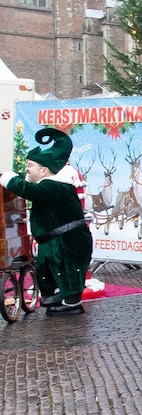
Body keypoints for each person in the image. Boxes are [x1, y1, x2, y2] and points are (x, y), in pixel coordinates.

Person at [1, 128, 93, 315]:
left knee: (68, 269)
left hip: (68, 242)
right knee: (50, 269)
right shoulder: (48, 184)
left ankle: (72, 304)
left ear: (43, 170)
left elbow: (28, 190)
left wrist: (9, 180)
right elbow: (28, 185)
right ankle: (57, 296)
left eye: (30, 165)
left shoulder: (54, 186)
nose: (27, 169)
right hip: (56, 241)